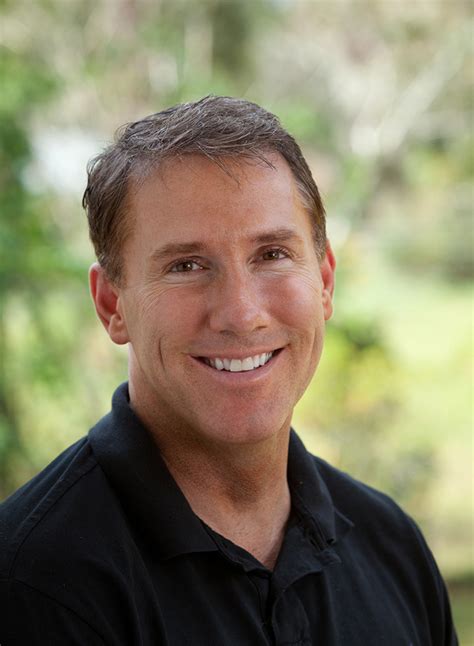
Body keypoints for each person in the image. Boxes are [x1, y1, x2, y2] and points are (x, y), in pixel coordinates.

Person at [0, 96, 457, 645]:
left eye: (272, 254)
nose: (241, 313)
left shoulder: (393, 548)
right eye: (186, 265)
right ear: (112, 305)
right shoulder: (33, 584)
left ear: (324, 281)